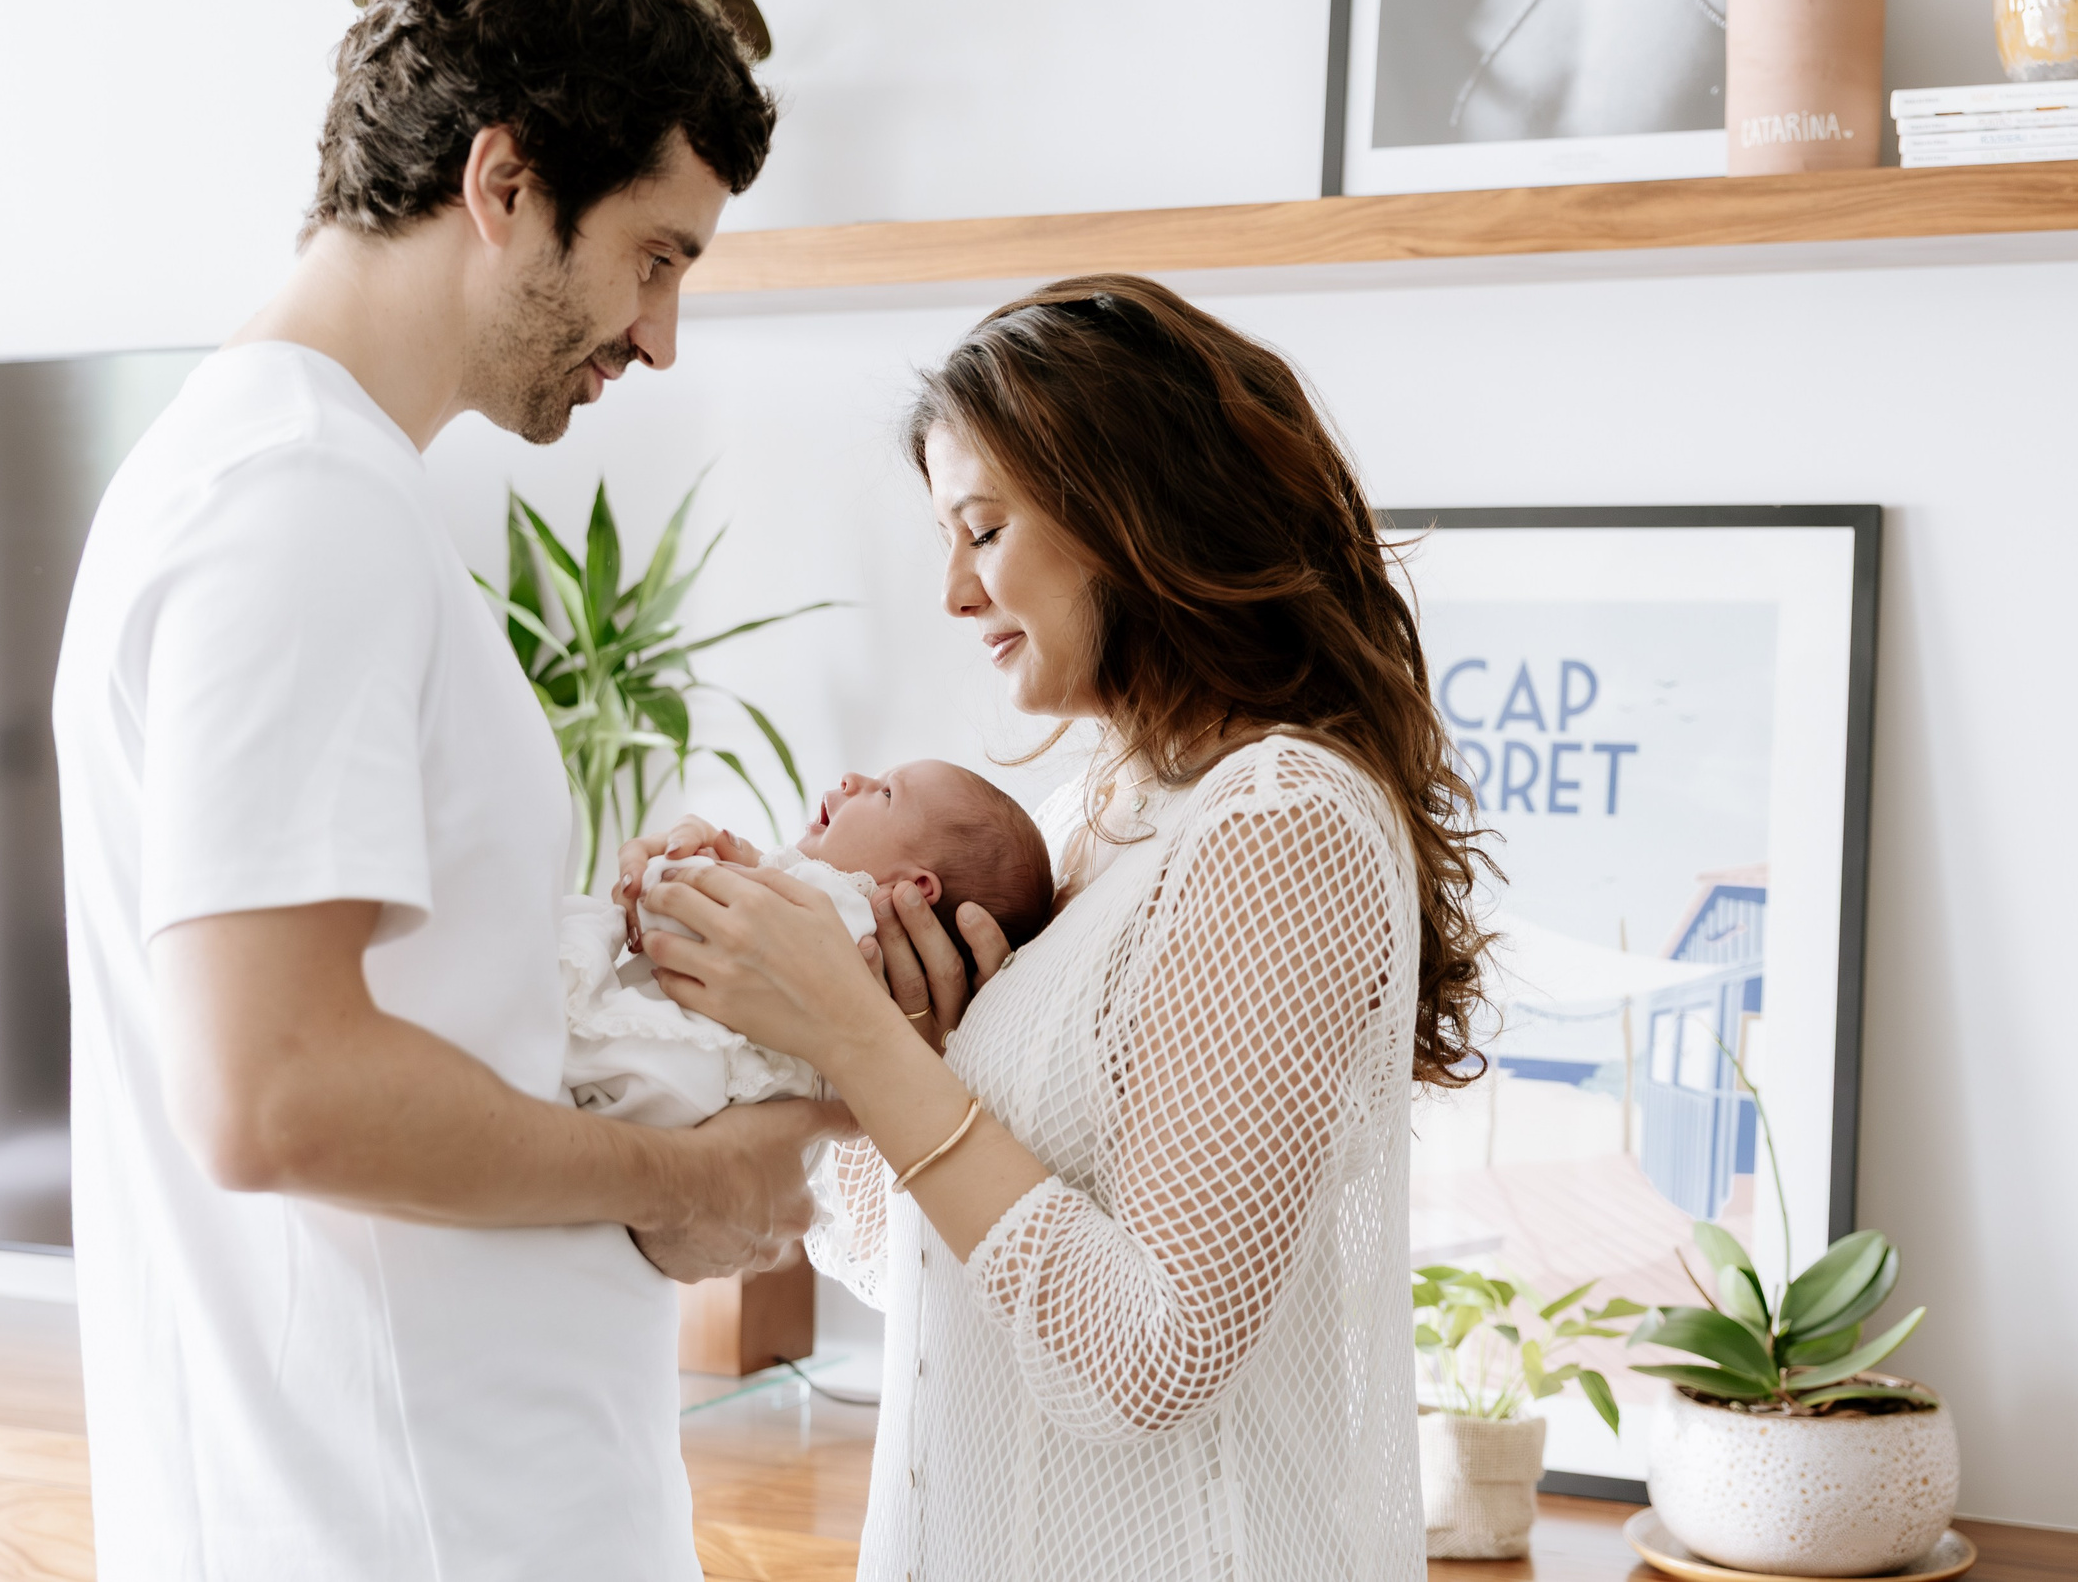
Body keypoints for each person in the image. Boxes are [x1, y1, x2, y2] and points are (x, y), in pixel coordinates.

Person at [51, 0, 846, 1582]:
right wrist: (678, 1186)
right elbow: (277, 1091)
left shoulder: (301, 491)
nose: (661, 334)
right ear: (504, 184)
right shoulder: (297, 511)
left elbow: (385, 1019)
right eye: (657, 255)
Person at [618, 275, 1495, 1580]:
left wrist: (870, 1046)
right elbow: (905, 1252)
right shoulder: (1087, 810)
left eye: (983, 527)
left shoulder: (1281, 820)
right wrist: (869, 1048)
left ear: (1130, 508)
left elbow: (1153, 1354)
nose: (954, 592)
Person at [562, 761, 1054, 1128]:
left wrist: (679, 874)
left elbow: (672, 905)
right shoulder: (849, 937)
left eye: (885, 793)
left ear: (917, 888)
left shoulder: (844, 910)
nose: (851, 780)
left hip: (680, 1065)